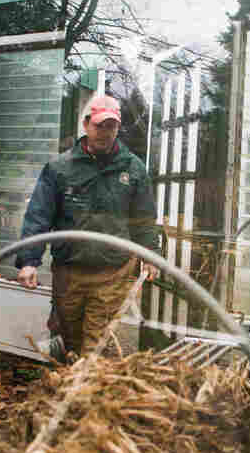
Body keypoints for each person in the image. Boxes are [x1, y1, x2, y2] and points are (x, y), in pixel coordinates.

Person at [15, 95, 160, 356]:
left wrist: (150, 254)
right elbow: (39, 215)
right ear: (86, 124)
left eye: (111, 126)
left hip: (113, 271)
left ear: (118, 128)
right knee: (69, 337)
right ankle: (71, 380)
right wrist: (29, 260)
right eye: (99, 125)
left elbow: (144, 217)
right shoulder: (60, 168)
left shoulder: (133, 168)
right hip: (70, 270)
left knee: (98, 341)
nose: (105, 132)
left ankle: (85, 389)